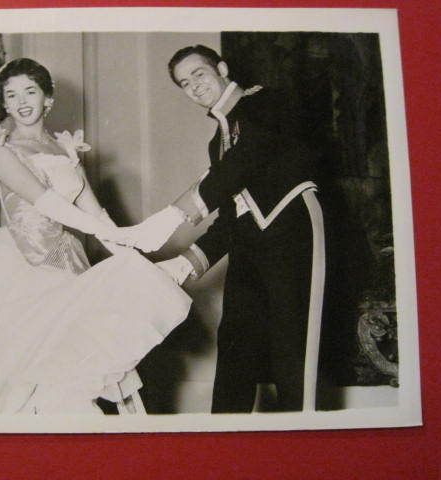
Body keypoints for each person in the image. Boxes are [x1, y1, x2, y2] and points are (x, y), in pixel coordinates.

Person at [0, 58, 191, 414]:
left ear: (47, 99)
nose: (21, 101)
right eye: (11, 95)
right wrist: (126, 236)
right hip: (20, 268)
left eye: (30, 91)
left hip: (66, 262)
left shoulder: (65, 152)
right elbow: (49, 204)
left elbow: (98, 216)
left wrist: (134, 254)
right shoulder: (0, 152)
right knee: (30, 376)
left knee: (74, 372)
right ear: (4, 103)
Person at [124, 45, 326, 413]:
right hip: (248, 248)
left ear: (222, 68)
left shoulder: (265, 102)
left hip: (290, 235)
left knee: (291, 348)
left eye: (198, 74)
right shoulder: (216, 142)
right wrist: (184, 263)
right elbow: (233, 218)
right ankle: (223, 444)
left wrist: (174, 215)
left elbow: (245, 160)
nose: (194, 86)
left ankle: (302, 443)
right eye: (184, 83)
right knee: (235, 345)